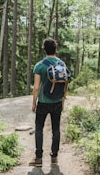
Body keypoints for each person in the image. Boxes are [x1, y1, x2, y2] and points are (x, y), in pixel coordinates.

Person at [29, 37, 68, 167]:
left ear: (44, 49)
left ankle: (39, 158)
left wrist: (34, 102)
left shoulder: (40, 65)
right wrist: (62, 100)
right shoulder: (62, 64)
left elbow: (36, 88)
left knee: (39, 128)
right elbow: (65, 84)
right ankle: (54, 157)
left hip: (44, 102)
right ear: (55, 49)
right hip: (57, 101)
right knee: (56, 129)